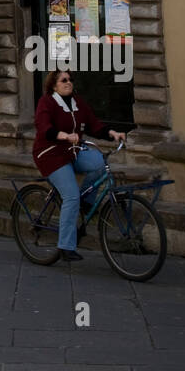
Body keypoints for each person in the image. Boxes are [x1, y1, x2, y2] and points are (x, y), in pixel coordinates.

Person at [33, 68, 124, 262]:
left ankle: (87, 201)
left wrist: (112, 133)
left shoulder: (78, 103)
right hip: (51, 155)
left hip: (72, 153)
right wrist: (64, 135)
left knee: (100, 164)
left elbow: (94, 125)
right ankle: (66, 246)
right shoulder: (47, 102)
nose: (68, 82)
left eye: (70, 79)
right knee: (71, 195)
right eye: (64, 80)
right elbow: (44, 128)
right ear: (53, 85)